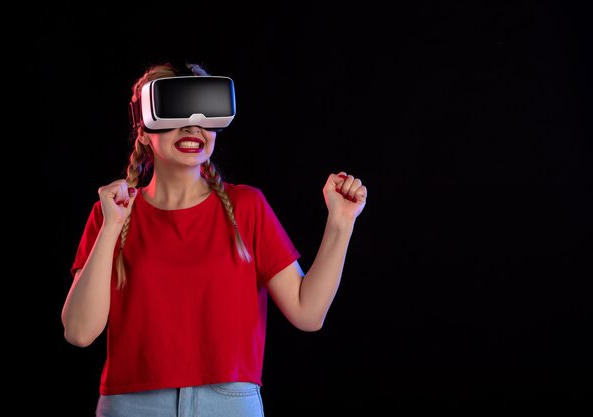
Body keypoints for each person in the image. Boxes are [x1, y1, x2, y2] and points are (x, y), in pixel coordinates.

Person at [61, 61, 367, 417]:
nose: (193, 126)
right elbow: (79, 332)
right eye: (176, 112)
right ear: (144, 130)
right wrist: (112, 226)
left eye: (206, 114)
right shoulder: (111, 213)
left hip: (230, 404)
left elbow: (308, 313)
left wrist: (341, 224)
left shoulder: (247, 207)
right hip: (132, 405)